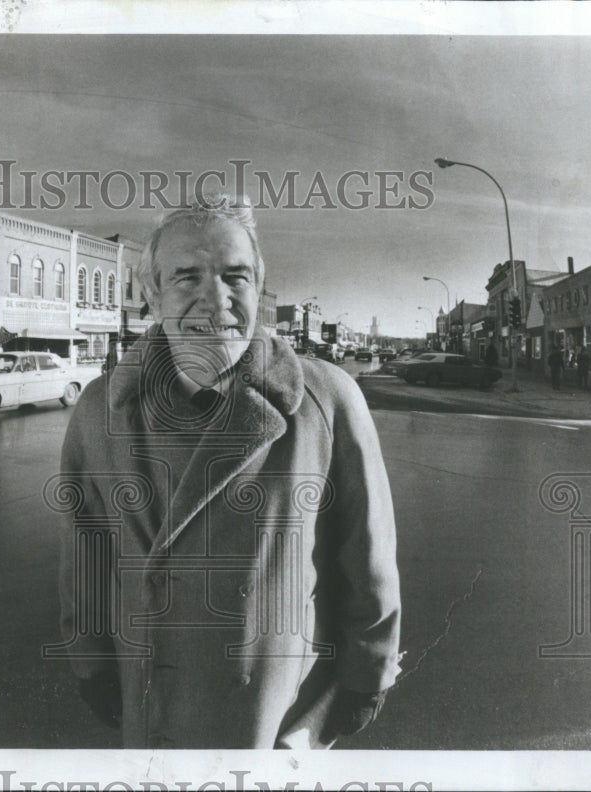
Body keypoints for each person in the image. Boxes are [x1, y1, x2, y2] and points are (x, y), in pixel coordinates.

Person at [54, 195, 401, 749]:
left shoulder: (327, 401)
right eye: (187, 277)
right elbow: (87, 555)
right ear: (151, 294)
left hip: (272, 714)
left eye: (235, 277)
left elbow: (367, 558)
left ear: (258, 289)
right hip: (152, 708)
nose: (216, 300)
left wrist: (366, 677)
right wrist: (90, 662)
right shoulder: (99, 409)